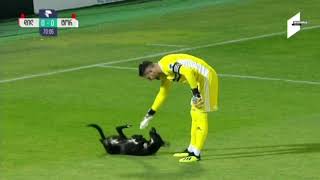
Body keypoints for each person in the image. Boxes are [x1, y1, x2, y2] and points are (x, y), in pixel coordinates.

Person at [138, 53, 218, 163]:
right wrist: (150, 113)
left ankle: (196, 153)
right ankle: (191, 150)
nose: (151, 79)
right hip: (201, 81)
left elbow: (188, 72)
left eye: (149, 77)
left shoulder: (167, 65)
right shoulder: (165, 73)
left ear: (150, 71)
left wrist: (196, 93)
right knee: (194, 113)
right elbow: (163, 94)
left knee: (200, 113)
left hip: (207, 78)